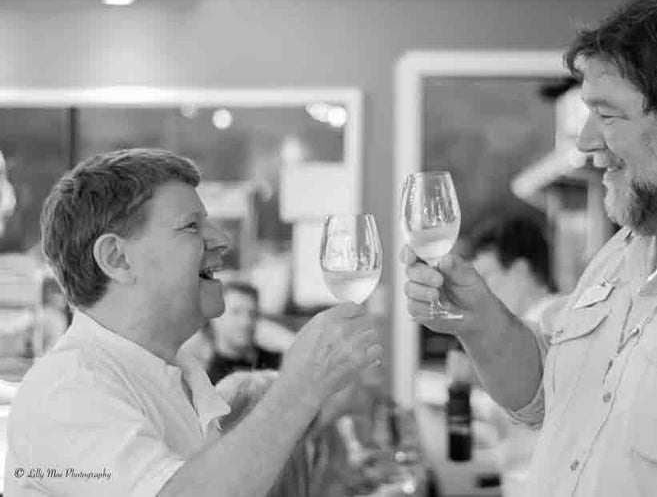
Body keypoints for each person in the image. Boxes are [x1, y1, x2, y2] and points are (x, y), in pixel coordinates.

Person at [403, 0, 657, 496]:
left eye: (607, 116)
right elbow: (547, 399)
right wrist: (478, 321)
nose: (586, 142)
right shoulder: (628, 248)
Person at [5, 148, 382, 496]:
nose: (221, 240)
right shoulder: (69, 389)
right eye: (191, 226)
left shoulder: (181, 375)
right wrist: (300, 386)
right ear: (117, 257)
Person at [467, 215, 562, 497]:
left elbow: (532, 411)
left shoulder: (552, 320)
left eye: (486, 278)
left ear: (521, 270)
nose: (479, 291)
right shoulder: (524, 331)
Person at [206, 280, 287, 384]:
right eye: (236, 312)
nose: (246, 322)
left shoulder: (281, 363)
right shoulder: (206, 383)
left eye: (252, 313)